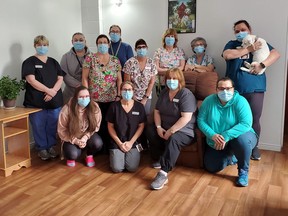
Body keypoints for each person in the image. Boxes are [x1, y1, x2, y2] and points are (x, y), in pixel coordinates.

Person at [222, 20, 280, 160]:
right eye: (237, 31)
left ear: (249, 29)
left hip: (255, 88)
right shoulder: (232, 44)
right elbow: (227, 55)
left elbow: (276, 54)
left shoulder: (259, 41)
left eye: (243, 29)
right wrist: (249, 49)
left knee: (254, 119)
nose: (240, 32)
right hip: (233, 90)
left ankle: (254, 147)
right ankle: (233, 147)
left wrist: (262, 65)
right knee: (233, 119)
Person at [197, 77, 258, 187]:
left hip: (241, 137)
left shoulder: (241, 101)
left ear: (233, 89)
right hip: (217, 140)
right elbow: (201, 120)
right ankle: (231, 156)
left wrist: (225, 136)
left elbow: (246, 123)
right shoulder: (208, 101)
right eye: (221, 88)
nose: (225, 91)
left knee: (241, 140)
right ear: (216, 90)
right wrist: (212, 135)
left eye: (228, 88)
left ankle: (243, 172)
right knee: (212, 167)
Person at [146, 68, 197, 190]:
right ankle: (160, 157)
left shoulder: (186, 94)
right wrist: (158, 127)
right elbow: (157, 111)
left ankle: (163, 173)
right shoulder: (164, 92)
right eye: (169, 78)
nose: (171, 81)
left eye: (174, 78)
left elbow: (186, 118)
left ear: (180, 80)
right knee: (150, 131)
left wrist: (171, 130)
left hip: (184, 130)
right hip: (165, 126)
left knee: (174, 139)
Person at [21, 35, 64, 160]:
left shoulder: (53, 62)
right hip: (36, 101)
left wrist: (53, 91)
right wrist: (48, 91)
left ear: (48, 46)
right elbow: (31, 80)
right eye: (39, 45)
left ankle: (50, 146)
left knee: (52, 125)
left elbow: (60, 78)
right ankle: (41, 148)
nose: (42, 47)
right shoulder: (29, 62)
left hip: (54, 100)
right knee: (39, 125)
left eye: (44, 45)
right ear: (35, 46)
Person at [82, 34, 122, 149]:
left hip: (112, 98)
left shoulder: (115, 60)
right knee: (96, 123)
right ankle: (97, 147)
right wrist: (86, 95)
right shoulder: (90, 58)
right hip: (94, 98)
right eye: (100, 42)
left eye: (105, 42)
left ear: (109, 44)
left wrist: (119, 95)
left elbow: (119, 79)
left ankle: (109, 147)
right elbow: (84, 78)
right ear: (96, 44)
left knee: (109, 123)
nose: (102, 44)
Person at [57, 86, 103, 167]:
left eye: (86, 96)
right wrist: (76, 141)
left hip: (87, 135)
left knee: (98, 143)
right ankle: (72, 154)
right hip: (71, 136)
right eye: (81, 97)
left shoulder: (94, 107)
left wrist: (85, 138)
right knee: (73, 154)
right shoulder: (66, 109)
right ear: (76, 98)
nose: (84, 99)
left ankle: (88, 155)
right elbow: (62, 130)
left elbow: (96, 126)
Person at [106, 81, 146, 173]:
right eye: (124, 90)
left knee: (132, 168)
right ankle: (117, 155)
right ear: (120, 91)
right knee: (117, 168)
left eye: (129, 90)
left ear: (133, 91)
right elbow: (110, 126)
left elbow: (141, 126)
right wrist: (120, 143)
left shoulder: (139, 107)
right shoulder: (114, 107)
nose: (127, 92)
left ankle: (129, 154)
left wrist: (131, 142)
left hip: (133, 141)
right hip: (117, 141)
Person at [123, 39, 157, 116]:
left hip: (146, 96)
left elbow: (152, 82)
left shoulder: (152, 63)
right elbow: (127, 82)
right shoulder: (129, 63)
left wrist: (145, 98)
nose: (141, 49)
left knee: (145, 116)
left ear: (147, 48)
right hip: (131, 95)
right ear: (135, 49)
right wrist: (133, 97)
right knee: (132, 116)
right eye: (139, 47)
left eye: (143, 47)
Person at [153, 28, 186, 96]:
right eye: (168, 36)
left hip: (175, 82)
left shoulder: (180, 51)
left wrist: (169, 72)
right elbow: (156, 68)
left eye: (172, 36)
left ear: (175, 39)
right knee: (162, 102)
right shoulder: (158, 51)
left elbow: (182, 67)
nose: (170, 38)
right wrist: (171, 71)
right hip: (161, 82)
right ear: (164, 38)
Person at [60, 32, 90, 104]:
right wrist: (80, 85)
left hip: (88, 92)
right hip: (70, 93)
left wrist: (85, 86)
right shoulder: (66, 57)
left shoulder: (92, 56)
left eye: (81, 40)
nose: (78, 42)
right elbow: (64, 74)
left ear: (85, 42)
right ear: (72, 42)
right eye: (76, 40)